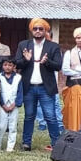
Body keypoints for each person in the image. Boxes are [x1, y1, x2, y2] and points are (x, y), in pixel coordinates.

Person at [14, 19, 63, 151]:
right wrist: (26, 59)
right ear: (31, 30)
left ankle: (56, 144)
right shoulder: (23, 44)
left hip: (45, 87)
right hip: (29, 87)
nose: (38, 31)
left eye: (41, 29)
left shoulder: (53, 46)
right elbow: (17, 63)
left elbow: (58, 66)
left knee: (50, 116)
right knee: (29, 115)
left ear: (45, 30)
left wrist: (47, 62)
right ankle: (26, 143)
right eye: (35, 28)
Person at [0, 59, 23, 152]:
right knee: (1, 126)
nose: (7, 67)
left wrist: (15, 104)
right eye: (5, 65)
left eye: (10, 65)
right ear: (2, 66)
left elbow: (20, 92)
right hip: (3, 104)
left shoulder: (18, 77)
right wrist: (3, 104)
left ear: (14, 67)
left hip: (14, 104)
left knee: (13, 126)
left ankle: (10, 147)